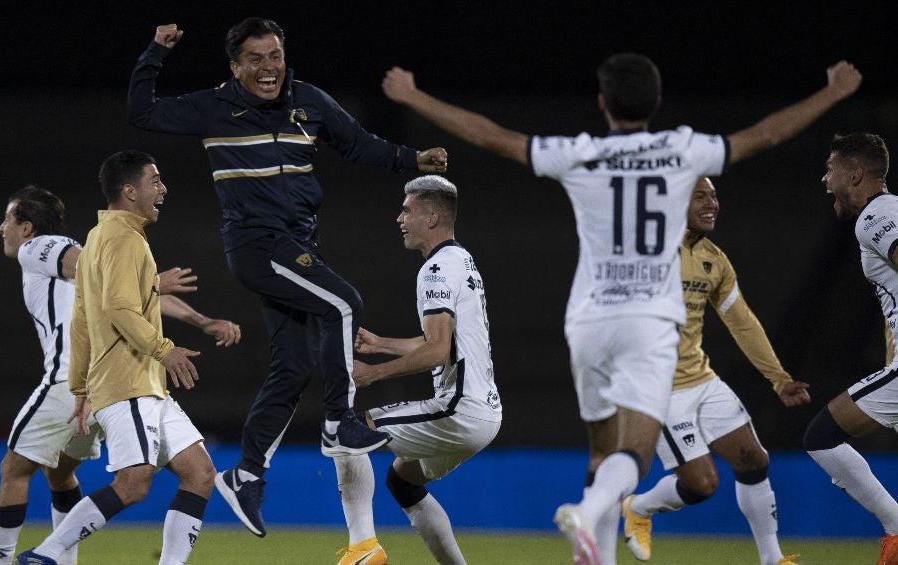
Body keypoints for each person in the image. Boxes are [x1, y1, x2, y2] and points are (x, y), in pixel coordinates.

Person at [380, 55, 862, 565]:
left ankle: (597, 549)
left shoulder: (581, 153)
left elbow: (492, 136)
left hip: (589, 321)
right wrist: (831, 93)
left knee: (600, 449)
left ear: (603, 103)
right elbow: (764, 134)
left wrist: (414, 96)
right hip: (649, 323)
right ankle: (588, 512)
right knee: (633, 452)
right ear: (655, 102)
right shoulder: (680, 149)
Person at [126, 17, 450, 537]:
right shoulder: (214, 106)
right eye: (255, 58)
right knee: (344, 303)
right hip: (258, 244)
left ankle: (247, 475)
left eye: (274, 55)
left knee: (293, 367)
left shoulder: (310, 102)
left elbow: (358, 143)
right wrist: (155, 53)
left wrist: (412, 159)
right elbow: (141, 112)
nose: (268, 67)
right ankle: (339, 421)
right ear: (235, 67)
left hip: (297, 246)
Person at [0, 186, 240, 565]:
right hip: (117, 380)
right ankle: (60, 560)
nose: (1, 229)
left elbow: (100, 275)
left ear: (27, 228)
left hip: (72, 381)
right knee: (62, 475)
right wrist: (201, 319)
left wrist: (152, 282)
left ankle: (5, 561)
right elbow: (131, 293)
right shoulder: (105, 252)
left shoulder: (40, 247)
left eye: (8, 220)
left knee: (15, 469)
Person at [16, 150, 223, 565]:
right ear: (130, 191)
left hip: (142, 384)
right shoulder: (124, 240)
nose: (163, 189)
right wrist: (165, 350)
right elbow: (118, 309)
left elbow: (81, 318)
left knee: (200, 473)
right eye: (156, 181)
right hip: (129, 382)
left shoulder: (99, 237)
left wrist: (79, 386)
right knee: (133, 484)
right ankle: (46, 555)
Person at [619, 177, 809, 565]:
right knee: (703, 485)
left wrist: (779, 378)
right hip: (661, 391)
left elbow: (742, 322)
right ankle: (638, 507)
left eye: (715, 195)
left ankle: (772, 559)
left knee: (753, 459)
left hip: (702, 380)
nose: (712, 203)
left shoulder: (713, 259)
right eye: (700, 196)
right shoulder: (647, 251)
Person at [332, 175, 501, 565]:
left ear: (432, 217)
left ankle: (363, 549)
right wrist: (382, 345)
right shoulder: (462, 260)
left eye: (407, 210)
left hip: (461, 409)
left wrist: (374, 373)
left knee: (347, 431)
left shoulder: (436, 271)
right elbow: (444, 342)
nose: (399, 218)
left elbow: (438, 352)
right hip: (484, 411)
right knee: (403, 482)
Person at [803, 132, 898, 565]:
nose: (825, 180)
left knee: (822, 435)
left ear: (855, 173)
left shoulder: (876, 216)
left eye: (831, 169)